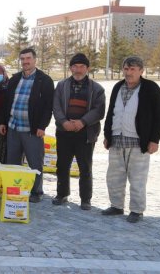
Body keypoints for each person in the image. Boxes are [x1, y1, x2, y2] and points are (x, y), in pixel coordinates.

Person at [102, 56, 160, 223]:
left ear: (141, 71)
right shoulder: (118, 87)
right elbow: (111, 112)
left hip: (139, 142)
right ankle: (116, 206)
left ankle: (137, 210)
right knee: (114, 177)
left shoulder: (150, 88)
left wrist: (154, 139)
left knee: (137, 179)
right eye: (126, 69)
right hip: (117, 140)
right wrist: (107, 135)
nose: (128, 72)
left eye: (132, 69)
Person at [0, 48, 54, 203]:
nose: (25, 62)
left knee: (35, 162)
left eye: (28, 58)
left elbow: (48, 107)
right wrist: (4, 122)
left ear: (35, 60)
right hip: (13, 127)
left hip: (32, 129)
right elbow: (7, 102)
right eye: (22, 59)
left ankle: (36, 191)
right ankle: (15, 189)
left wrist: (42, 126)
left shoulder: (45, 80)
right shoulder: (15, 79)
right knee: (13, 162)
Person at [51, 53, 105, 210]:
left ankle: (86, 199)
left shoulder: (97, 89)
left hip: (86, 133)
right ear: (70, 68)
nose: (78, 70)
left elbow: (99, 110)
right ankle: (62, 194)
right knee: (62, 165)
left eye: (82, 66)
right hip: (64, 131)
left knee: (85, 167)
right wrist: (63, 122)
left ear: (87, 68)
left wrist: (82, 122)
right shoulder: (61, 86)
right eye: (75, 66)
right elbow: (56, 106)